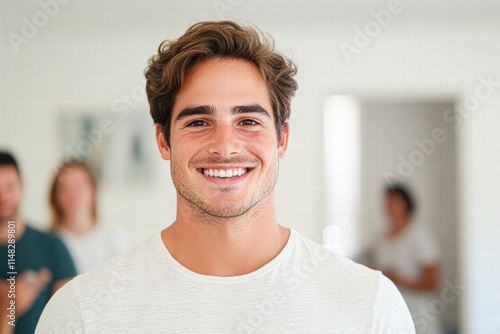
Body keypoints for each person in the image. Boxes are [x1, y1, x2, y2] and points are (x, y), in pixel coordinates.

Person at [36, 21, 415, 333]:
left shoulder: (370, 305)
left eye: (248, 121)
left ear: (281, 138)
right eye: (199, 122)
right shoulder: (80, 312)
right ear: (163, 141)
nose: (225, 146)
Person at [0, 151, 76, 334]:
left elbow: (72, 321)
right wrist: (10, 307)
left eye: (9, 187)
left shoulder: (52, 247)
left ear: (22, 186)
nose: (3, 197)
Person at [372, 184, 443, 334]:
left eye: (394, 201)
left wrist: (400, 279)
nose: (389, 206)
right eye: (387, 201)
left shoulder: (420, 235)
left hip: (419, 315)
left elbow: (432, 283)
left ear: (406, 204)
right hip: (393, 316)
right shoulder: (382, 239)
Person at [49, 160, 130, 274]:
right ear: (55, 196)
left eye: (78, 186)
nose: (73, 194)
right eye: (65, 188)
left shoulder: (115, 238)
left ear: (93, 191)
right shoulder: (48, 243)